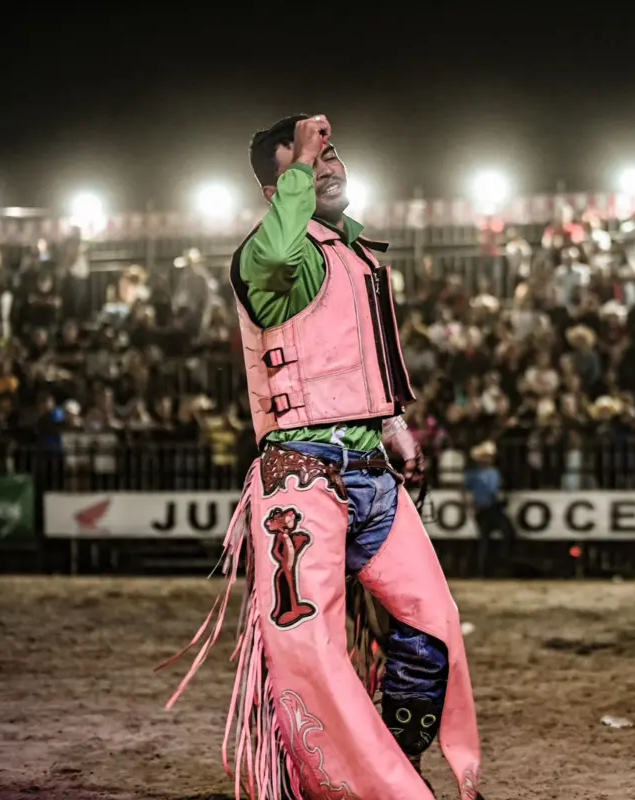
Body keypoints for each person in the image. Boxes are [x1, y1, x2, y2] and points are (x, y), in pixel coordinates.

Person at [160, 114, 482, 800]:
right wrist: (299, 166)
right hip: (301, 477)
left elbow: (357, 360)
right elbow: (277, 259)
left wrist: (394, 423)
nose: (326, 165)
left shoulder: (354, 254)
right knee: (311, 652)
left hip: (369, 472)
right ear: (280, 189)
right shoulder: (273, 254)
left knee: (433, 623)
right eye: (307, 162)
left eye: (330, 155)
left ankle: (396, 768)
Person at [463, 441, 518, 577]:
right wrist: (469, 504)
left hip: (494, 507)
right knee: (486, 540)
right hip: (483, 509)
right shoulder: (475, 474)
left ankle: (498, 566)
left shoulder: (495, 473)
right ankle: (485, 569)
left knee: (505, 534)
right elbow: (465, 491)